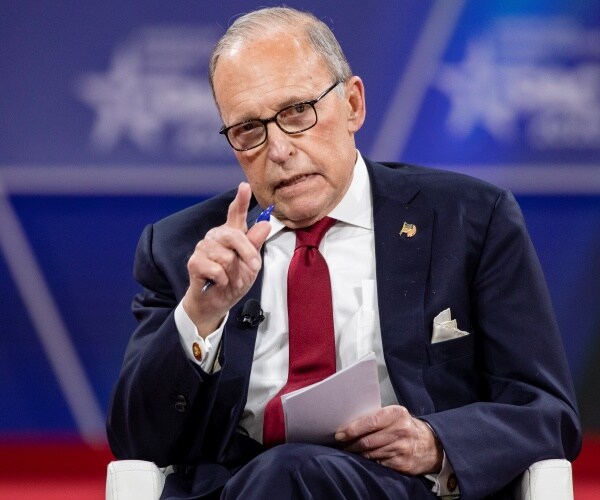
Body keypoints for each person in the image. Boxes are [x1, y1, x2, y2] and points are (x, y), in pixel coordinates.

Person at [107, 7, 581, 500]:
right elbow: (136, 442)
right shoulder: (184, 251)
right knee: (282, 473)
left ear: (353, 104)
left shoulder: (470, 219)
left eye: (297, 112)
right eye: (249, 128)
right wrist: (199, 317)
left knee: (291, 472)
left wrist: (436, 443)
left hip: (404, 487)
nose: (280, 149)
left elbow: (546, 412)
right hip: (244, 487)